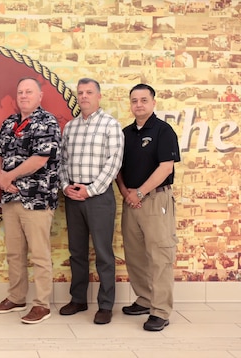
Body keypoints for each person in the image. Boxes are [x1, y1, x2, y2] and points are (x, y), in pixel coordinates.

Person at [0, 77, 61, 324]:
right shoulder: (10, 122)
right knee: (14, 253)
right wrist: (1, 178)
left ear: (40, 96)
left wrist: (10, 175)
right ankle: (17, 297)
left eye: (29, 92)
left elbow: (40, 158)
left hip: (37, 199)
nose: (24, 95)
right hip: (10, 197)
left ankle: (42, 304)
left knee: (40, 254)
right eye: (20, 92)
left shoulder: (47, 121)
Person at [57, 78, 124, 325]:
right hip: (73, 195)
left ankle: (105, 305)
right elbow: (62, 161)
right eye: (80, 93)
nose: (84, 96)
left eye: (89, 92)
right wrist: (65, 186)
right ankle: (78, 299)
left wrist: (91, 190)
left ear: (99, 96)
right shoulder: (71, 127)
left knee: (104, 253)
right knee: (77, 251)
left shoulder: (110, 125)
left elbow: (114, 162)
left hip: (99, 197)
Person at [116, 83, 180, 332]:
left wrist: (140, 192)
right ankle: (144, 299)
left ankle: (161, 311)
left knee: (160, 256)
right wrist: (125, 192)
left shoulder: (164, 131)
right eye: (134, 100)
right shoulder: (125, 133)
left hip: (155, 200)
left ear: (153, 103)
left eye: (144, 100)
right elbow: (118, 168)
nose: (139, 104)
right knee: (135, 254)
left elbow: (166, 167)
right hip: (131, 199)